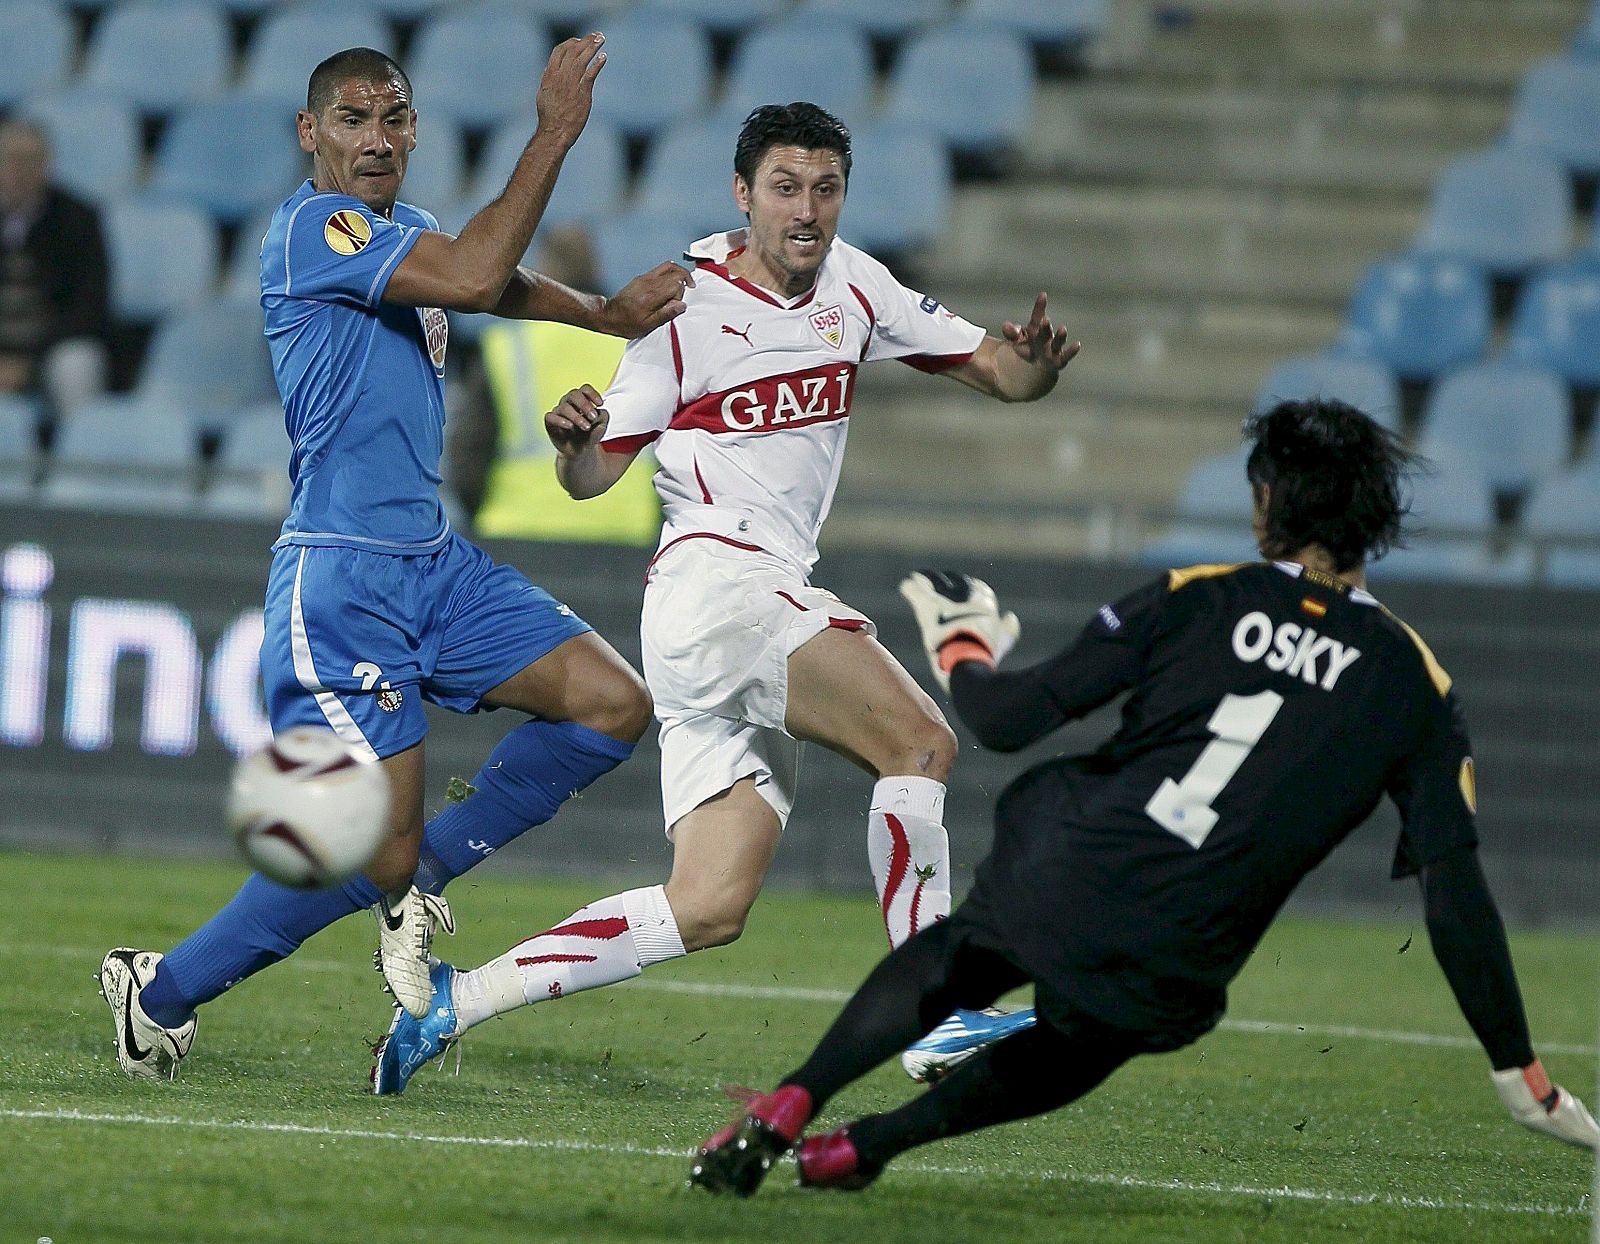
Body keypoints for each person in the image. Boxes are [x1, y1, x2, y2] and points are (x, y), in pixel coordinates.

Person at [686, 397, 1600, 1196]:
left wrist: (964, 644)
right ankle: (865, 1147)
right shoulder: (1417, 685)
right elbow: (1455, 889)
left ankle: (799, 1094)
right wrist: (1517, 1065)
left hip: (1073, 862)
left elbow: (1008, 720)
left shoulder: (1198, 597)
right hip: (1187, 939)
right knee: (1084, 1038)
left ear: (1268, 503)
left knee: (961, 955)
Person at [372, 101, 1078, 1094]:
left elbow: (1001, 374)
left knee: (705, 904)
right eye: (785, 187)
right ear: (742, 194)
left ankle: (452, 1003)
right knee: (919, 742)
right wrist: (577, 444)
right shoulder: (686, 310)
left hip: (731, 611)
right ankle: (938, 1007)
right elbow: (590, 479)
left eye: (825, 188)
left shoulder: (856, 288)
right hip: (717, 584)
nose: (807, 210)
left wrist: (1035, 370)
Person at [96, 37, 692, 1080]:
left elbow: (485, 282)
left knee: (613, 703)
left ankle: (375, 904)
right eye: (356, 119)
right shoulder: (311, 229)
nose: (379, 139)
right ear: (310, 133)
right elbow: (471, 272)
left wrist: (599, 315)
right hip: (344, 579)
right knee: (376, 846)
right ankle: (177, 984)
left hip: (438, 564)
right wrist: (554, 133)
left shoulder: (401, 231)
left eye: (396, 119)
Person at [0, 119, 110, 426]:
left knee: (75, 364)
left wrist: (26, 361)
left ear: (47, 165)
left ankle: (81, 455)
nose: (21, 169)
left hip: (51, 347)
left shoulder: (79, 220)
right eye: (12, 159)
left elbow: (89, 308)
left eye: (32, 160)